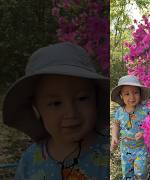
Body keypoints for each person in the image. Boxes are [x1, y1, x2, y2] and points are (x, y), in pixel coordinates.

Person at [2, 42, 108, 179]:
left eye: (82, 98)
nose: (71, 113)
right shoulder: (30, 160)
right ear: (37, 108)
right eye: (56, 103)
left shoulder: (109, 154)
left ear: (96, 99)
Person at [111, 75, 150, 180]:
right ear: (121, 96)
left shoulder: (145, 110)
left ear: (140, 93)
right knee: (127, 173)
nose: (132, 97)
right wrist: (114, 136)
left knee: (140, 172)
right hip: (125, 149)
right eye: (127, 94)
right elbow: (116, 124)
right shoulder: (120, 111)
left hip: (141, 149)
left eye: (135, 92)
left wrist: (145, 133)